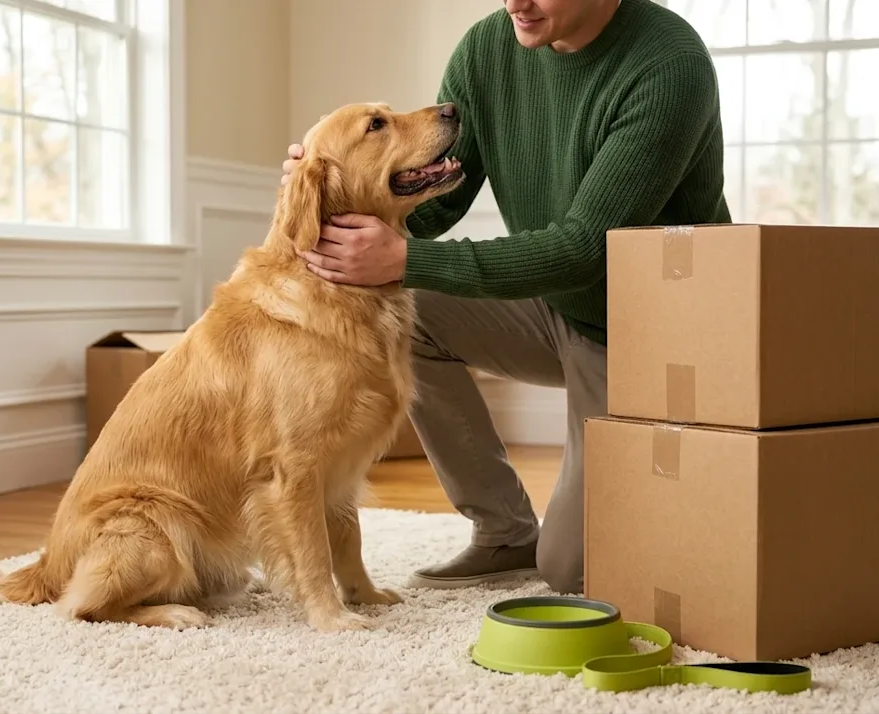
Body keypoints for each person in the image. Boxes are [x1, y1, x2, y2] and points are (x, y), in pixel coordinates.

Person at [280, 0, 729, 595]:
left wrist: (404, 257)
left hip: (653, 334)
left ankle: (686, 486)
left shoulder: (668, 61)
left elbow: (584, 248)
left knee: (573, 569)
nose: (517, 2)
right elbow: (434, 205)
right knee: (403, 315)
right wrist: (332, 185)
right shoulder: (490, 48)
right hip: (556, 304)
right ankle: (503, 531)